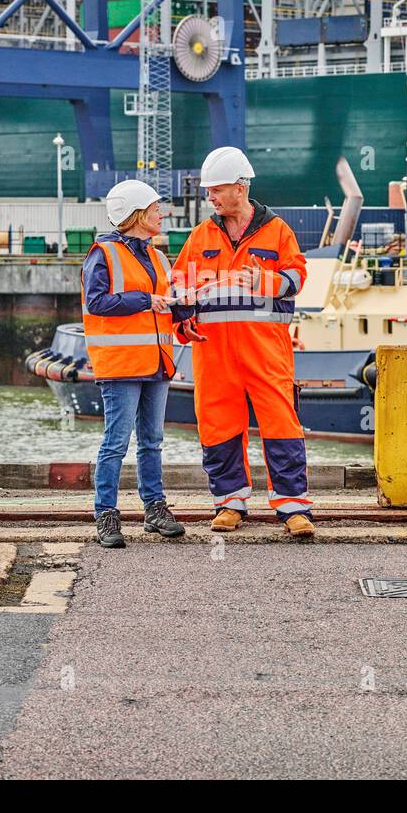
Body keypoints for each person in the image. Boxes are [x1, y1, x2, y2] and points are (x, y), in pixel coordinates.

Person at [170, 146, 314, 538]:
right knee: (217, 425)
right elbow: (179, 285)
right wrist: (183, 323)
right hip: (213, 352)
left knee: (281, 424)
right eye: (209, 192)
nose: (210, 198)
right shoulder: (201, 236)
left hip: (265, 352)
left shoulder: (277, 231)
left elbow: (297, 277)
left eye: (215, 190)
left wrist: (263, 282)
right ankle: (229, 503)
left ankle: (293, 508)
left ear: (239, 187)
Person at [82, 180, 187, 548]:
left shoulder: (159, 257)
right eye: (156, 208)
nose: (162, 213)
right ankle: (106, 515)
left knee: (152, 441)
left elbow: (165, 303)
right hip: (122, 365)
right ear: (138, 215)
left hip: (156, 363)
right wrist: (145, 300)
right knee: (116, 442)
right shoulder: (102, 254)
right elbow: (97, 303)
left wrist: (184, 316)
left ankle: (155, 509)